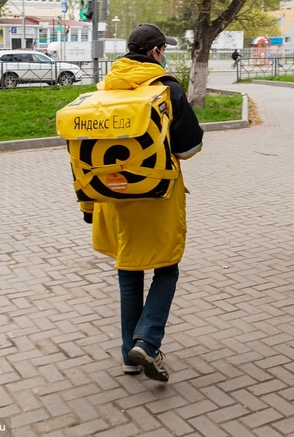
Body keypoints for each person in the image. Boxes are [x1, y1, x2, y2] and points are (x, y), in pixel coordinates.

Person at [79, 23, 203, 382]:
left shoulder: (103, 91)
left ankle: (128, 357)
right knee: (167, 266)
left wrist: (88, 208)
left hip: (113, 199)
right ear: (155, 52)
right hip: (157, 196)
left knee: (129, 272)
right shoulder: (167, 89)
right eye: (163, 50)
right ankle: (147, 342)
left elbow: (83, 153)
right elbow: (189, 147)